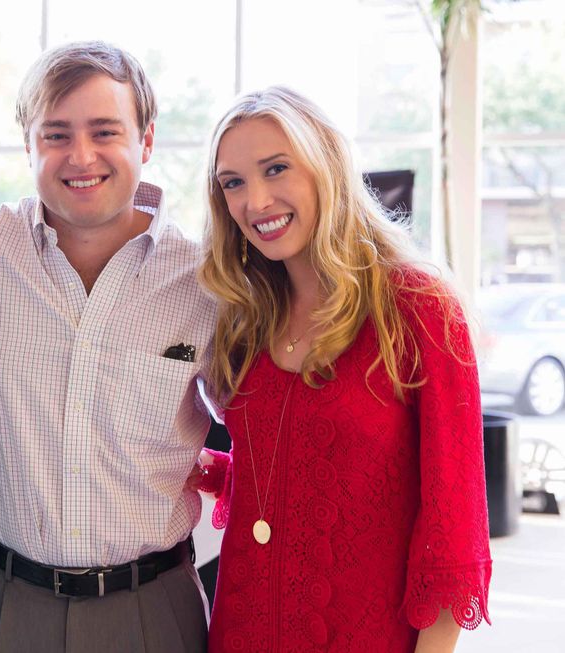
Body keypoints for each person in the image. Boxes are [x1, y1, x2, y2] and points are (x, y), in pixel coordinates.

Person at [195, 86, 492, 652]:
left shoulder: (418, 308)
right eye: (232, 182)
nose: (255, 201)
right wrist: (194, 468)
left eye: (275, 168)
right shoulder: (246, 315)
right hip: (241, 631)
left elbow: (454, 541)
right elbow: (298, 480)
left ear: (326, 165)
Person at [0, 41, 215, 653]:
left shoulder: (210, 280)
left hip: (154, 610)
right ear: (28, 146)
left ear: (146, 141)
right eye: (56, 134)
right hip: (4, 605)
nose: (81, 156)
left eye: (105, 131)